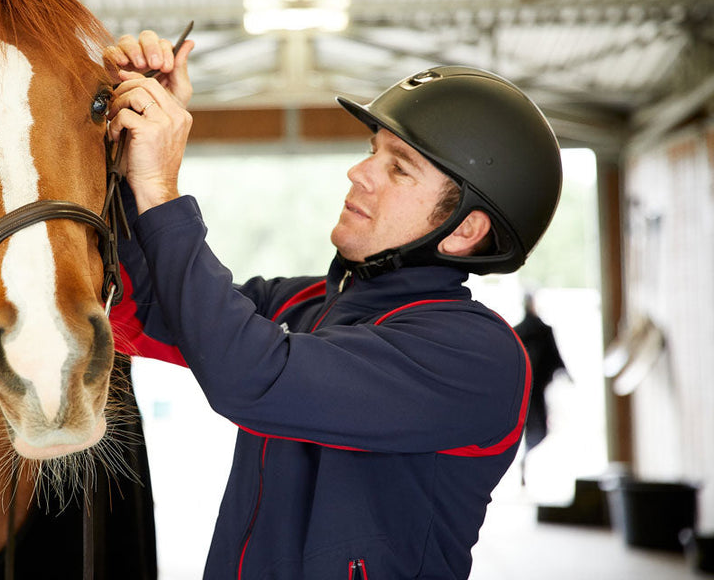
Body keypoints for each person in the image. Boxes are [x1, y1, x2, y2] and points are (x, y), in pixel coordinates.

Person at [104, 30, 563, 580]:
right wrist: (129, 155)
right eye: (374, 152)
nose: (359, 172)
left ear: (464, 230)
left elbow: (249, 377)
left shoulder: (477, 356)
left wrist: (161, 186)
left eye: (399, 167)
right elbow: (139, 308)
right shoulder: (305, 305)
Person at [513, 291, 571, 486]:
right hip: (536, 389)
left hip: (521, 390)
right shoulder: (543, 330)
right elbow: (555, 355)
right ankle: (525, 459)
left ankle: (524, 460)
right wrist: (566, 375)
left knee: (525, 428)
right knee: (538, 429)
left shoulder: (517, 331)